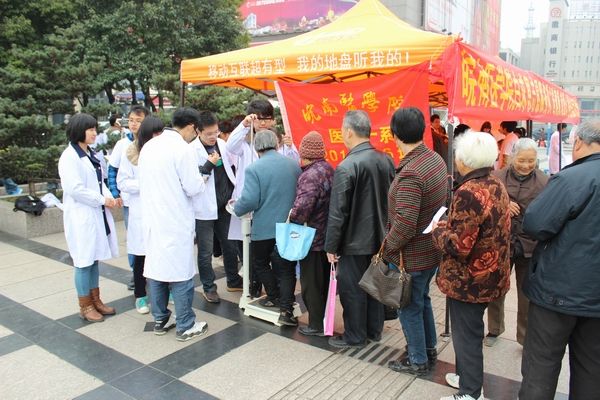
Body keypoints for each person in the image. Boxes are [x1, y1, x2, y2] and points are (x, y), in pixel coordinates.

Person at [518, 119, 600, 400]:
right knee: (592, 371)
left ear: (579, 142)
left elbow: (536, 223)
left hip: (558, 291)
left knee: (541, 366)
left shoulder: (572, 178)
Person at [432, 131, 511, 400]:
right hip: (491, 275)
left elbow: (458, 246)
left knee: (467, 336)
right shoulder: (495, 183)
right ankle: (466, 377)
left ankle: (470, 392)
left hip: (469, 281)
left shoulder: (468, 192)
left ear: (464, 160)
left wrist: (438, 229)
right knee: (469, 331)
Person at [383, 108, 448, 375]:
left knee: (409, 307)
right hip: (430, 250)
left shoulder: (411, 172)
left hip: (411, 256)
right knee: (421, 299)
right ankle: (428, 349)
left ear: (395, 135)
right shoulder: (435, 160)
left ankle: (417, 359)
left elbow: (405, 224)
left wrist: (386, 248)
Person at [325, 110, 395, 349]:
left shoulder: (347, 166)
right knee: (374, 286)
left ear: (348, 132)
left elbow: (338, 212)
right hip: (381, 237)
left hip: (354, 241)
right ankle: (374, 331)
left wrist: (331, 246)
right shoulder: (386, 160)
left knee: (353, 290)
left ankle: (355, 336)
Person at [138, 107, 208, 342]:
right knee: (180, 273)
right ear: (192, 127)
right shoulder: (182, 149)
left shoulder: (150, 146)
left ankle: (160, 319)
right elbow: (193, 187)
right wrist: (203, 177)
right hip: (175, 220)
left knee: (157, 270)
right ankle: (186, 324)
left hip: (152, 219)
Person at [233, 129, 301, 326]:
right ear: (277, 144)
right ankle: (286, 309)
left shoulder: (254, 169)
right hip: (289, 225)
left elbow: (249, 200)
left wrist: (236, 207)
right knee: (287, 268)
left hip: (264, 227)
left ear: (256, 148)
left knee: (260, 262)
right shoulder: (293, 165)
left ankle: (273, 295)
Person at [484, 138, 548, 347]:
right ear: (512, 157)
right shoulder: (496, 177)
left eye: (531, 161)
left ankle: (524, 337)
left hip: (529, 243)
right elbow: (485, 204)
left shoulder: (544, 181)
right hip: (501, 243)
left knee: (526, 293)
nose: (526, 165)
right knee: (496, 288)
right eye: (521, 160)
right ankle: (494, 329)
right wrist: (504, 204)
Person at [58, 113, 120, 322]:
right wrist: (102, 200)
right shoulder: (69, 157)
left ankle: (96, 300)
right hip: (81, 216)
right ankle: (85, 306)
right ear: (79, 131)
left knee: (93, 259)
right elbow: (75, 189)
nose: (95, 133)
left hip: (95, 214)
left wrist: (110, 198)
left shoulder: (89, 153)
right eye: (91, 129)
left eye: (95, 129)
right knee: (83, 261)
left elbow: (99, 182)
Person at [226, 100, 277, 297]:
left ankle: (266, 288)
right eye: (258, 119)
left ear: (273, 121)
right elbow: (231, 145)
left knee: (263, 251)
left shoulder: (278, 143)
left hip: (269, 206)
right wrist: (244, 124)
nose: (262, 123)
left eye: (267, 118)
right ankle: (252, 287)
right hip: (247, 206)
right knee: (246, 250)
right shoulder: (246, 146)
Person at [191, 111, 242, 303]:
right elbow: (193, 181)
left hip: (224, 205)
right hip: (204, 208)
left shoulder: (222, 144)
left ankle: (233, 280)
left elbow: (234, 166)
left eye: (216, 132)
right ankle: (209, 287)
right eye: (209, 133)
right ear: (198, 131)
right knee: (205, 251)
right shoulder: (191, 151)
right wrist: (208, 164)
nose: (213, 136)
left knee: (230, 245)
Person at [117, 116, 165, 314]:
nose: (158, 137)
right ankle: (140, 295)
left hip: (161, 210)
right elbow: (122, 182)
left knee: (162, 253)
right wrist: (145, 183)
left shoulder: (164, 152)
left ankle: (166, 292)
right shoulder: (131, 153)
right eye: (155, 133)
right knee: (140, 255)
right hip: (140, 210)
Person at [289, 131, 335, 336]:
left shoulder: (309, 175)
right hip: (327, 236)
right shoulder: (329, 168)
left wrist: (292, 216)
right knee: (323, 282)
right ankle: (324, 319)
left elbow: (302, 209)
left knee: (311, 284)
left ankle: (316, 324)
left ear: (303, 152)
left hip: (312, 238)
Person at [108, 105, 149, 290]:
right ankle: (136, 277)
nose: (133, 124)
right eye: (131, 120)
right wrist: (115, 193)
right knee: (135, 241)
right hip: (131, 201)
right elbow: (113, 169)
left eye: (138, 121)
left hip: (152, 201)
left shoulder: (152, 144)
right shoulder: (122, 145)